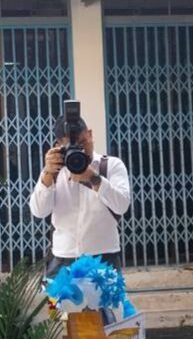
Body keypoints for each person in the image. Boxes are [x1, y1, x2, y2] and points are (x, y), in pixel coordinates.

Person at [29, 112, 131, 275]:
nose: (81, 150)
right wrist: (48, 174)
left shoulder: (111, 166)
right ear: (59, 146)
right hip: (63, 260)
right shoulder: (54, 171)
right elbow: (39, 211)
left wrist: (93, 178)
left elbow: (122, 205)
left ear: (90, 134)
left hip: (104, 258)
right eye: (72, 147)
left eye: (83, 142)